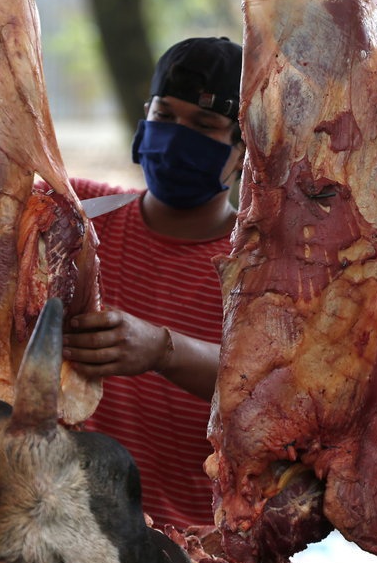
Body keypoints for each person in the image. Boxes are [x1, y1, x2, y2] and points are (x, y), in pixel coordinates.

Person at [61, 36, 245, 530]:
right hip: (64, 533)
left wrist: (164, 350)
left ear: (244, 150)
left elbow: (279, 393)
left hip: (197, 545)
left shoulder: (262, 267)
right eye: (164, 116)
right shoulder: (75, 215)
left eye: (204, 125)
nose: (176, 136)